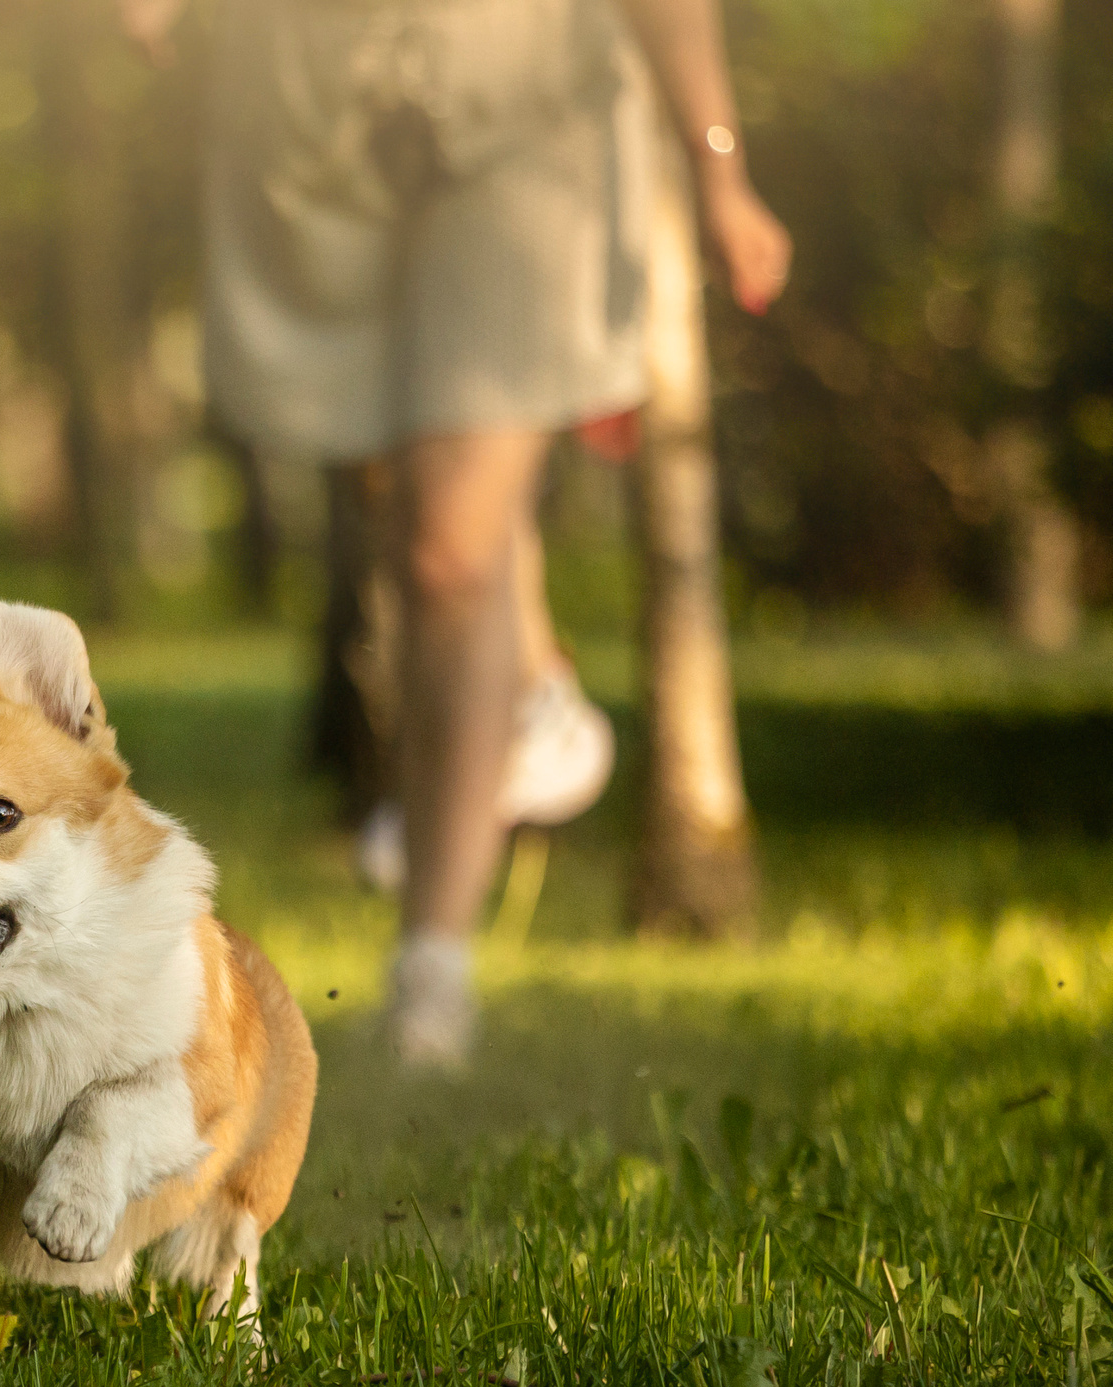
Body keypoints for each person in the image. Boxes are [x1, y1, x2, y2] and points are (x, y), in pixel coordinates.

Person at [124, 0, 790, 1066]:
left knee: (447, 546)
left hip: (528, 116)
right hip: (314, 113)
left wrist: (714, 157)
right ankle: (529, 686)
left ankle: (432, 971)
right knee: (397, 495)